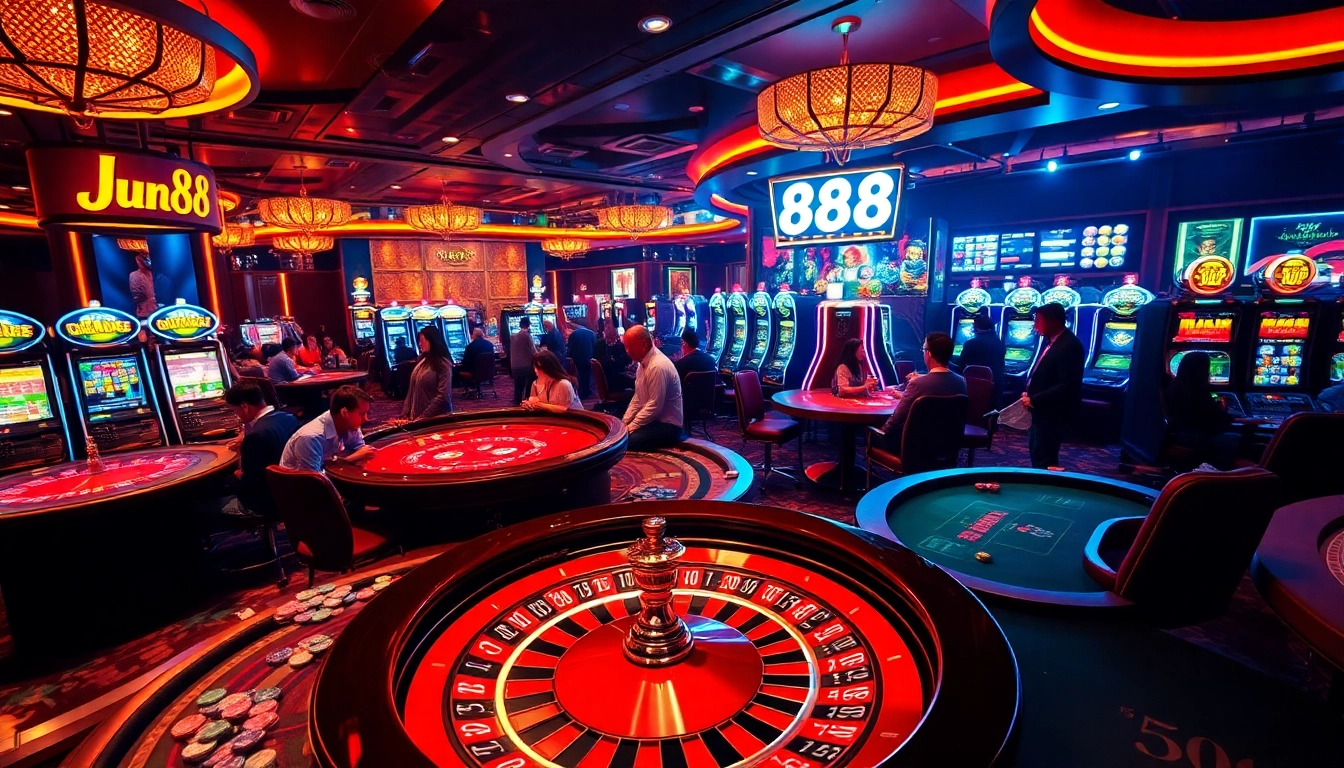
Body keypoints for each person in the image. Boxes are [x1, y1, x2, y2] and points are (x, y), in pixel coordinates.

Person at [222, 379, 298, 519]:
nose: (237, 415)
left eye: (235, 410)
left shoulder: (256, 435)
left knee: (208, 499)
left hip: (266, 503)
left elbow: (250, 483)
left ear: (244, 407)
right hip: (292, 492)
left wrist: (236, 475)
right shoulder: (289, 417)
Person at [879, 333, 967, 453]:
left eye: (924, 349)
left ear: (929, 354)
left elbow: (897, 418)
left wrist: (881, 431)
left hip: (914, 447)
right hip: (949, 445)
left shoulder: (918, 384)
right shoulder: (961, 382)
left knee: (870, 434)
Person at [1021, 302, 1084, 469]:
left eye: (1038, 320)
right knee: (1037, 452)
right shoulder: (1054, 341)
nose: (1035, 325)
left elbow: (1067, 385)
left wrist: (1035, 398)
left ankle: (1043, 492)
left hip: (1053, 412)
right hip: (1041, 410)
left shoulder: (1069, 345)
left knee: (1045, 457)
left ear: (1053, 321)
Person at [1167, 352, 1240, 469]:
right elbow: (1217, 419)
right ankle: (1220, 475)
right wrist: (1229, 415)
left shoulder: (1177, 386)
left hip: (1180, 434)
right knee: (1235, 439)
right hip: (1191, 435)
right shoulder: (1196, 390)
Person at [279, 385, 377, 473]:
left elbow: (361, 451)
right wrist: (348, 459)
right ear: (344, 413)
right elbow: (315, 482)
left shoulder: (350, 426)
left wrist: (355, 456)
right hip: (298, 488)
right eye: (361, 414)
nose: (366, 419)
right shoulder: (311, 438)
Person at [621, 325, 684, 451]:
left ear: (644, 344)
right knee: (621, 434)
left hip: (669, 426)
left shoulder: (657, 366)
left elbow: (655, 406)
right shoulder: (642, 364)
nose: (626, 351)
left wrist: (630, 427)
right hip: (655, 420)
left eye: (629, 346)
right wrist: (624, 423)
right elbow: (638, 398)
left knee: (627, 441)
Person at [400, 325, 453, 421]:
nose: (419, 344)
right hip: (417, 417)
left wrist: (424, 417)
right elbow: (412, 390)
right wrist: (405, 412)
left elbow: (443, 396)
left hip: (436, 420)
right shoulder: (422, 360)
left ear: (431, 341)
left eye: (422, 340)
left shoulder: (443, 364)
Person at [957, 314, 1006, 405]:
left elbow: (961, 364)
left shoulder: (970, 343)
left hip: (976, 386)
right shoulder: (999, 342)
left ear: (975, 327)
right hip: (996, 384)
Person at [566, 320, 596, 398]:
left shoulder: (573, 334)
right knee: (588, 375)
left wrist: (570, 356)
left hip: (578, 357)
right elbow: (595, 345)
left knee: (580, 375)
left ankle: (582, 392)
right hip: (589, 356)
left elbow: (570, 347)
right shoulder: (591, 333)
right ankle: (587, 391)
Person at [511, 316, 537, 405]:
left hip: (514, 365)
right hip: (526, 365)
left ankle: (517, 402)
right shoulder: (527, 335)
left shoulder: (513, 336)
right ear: (529, 325)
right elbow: (533, 351)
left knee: (518, 386)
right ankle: (527, 400)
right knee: (529, 384)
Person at [129, 252, 156, 318]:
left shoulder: (155, 275)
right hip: (146, 312)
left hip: (153, 311)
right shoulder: (135, 275)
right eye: (147, 258)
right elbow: (142, 295)